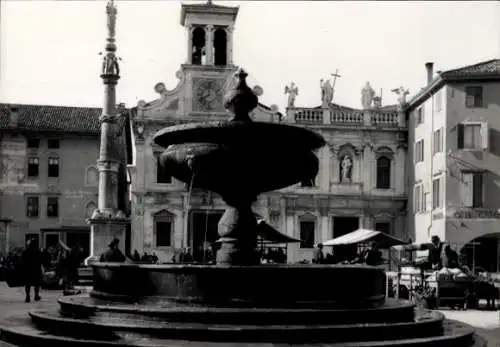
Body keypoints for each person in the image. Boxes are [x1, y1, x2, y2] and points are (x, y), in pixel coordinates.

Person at [22, 238, 44, 303]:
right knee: (36, 284)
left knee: (27, 284)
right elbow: (41, 260)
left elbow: (23, 261)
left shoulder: (25, 252)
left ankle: (27, 297)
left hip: (28, 270)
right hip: (36, 270)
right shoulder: (38, 252)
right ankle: (36, 296)